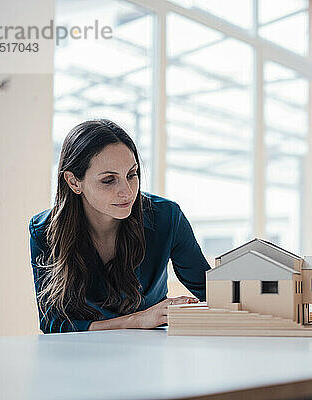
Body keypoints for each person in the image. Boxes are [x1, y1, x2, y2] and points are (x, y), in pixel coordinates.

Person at [29, 119, 210, 334]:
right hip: (79, 357)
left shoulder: (167, 217)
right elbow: (53, 323)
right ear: (74, 182)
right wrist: (137, 320)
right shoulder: (44, 230)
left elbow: (212, 292)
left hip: (151, 354)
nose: (127, 191)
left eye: (131, 175)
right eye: (108, 180)